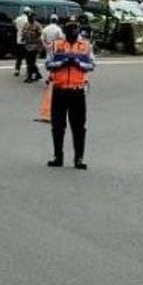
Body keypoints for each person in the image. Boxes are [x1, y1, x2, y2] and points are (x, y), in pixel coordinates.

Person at [45, 16, 95, 169]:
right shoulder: (56, 45)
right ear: (64, 29)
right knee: (58, 126)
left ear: (78, 29)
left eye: (75, 27)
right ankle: (57, 156)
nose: (72, 30)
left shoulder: (85, 46)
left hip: (77, 91)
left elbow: (91, 65)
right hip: (60, 90)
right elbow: (48, 64)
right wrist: (62, 62)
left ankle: (79, 158)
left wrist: (78, 63)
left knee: (79, 127)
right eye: (69, 27)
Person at [21, 12, 43, 82]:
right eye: (29, 17)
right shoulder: (26, 24)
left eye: (31, 17)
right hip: (27, 45)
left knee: (31, 62)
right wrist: (23, 38)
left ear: (34, 18)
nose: (30, 18)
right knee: (29, 62)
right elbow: (23, 33)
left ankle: (29, 77)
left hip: (34, 45)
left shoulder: (37, 25)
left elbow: (40, 36)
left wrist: (39, 47)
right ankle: (37, 74)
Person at [13, 7, 32, 76]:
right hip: (27, 41)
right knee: (28, 57)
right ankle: (27, 71)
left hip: (18, 40)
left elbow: (14, 24)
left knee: (19, 56)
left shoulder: (18, 18)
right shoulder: (28, 20)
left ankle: (17, 70)